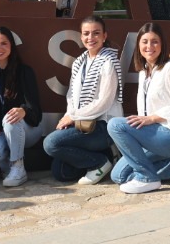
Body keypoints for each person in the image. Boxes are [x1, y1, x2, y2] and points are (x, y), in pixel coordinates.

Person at [108, 23, 170, 193]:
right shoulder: (144, 72)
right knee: (118, 176)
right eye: (145, 42)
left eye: (155, 42)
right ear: (138, 45)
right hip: (152, 136)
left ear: (162, 44)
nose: (149, 46)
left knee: (115, 125)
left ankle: (147, 177)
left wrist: (151, 118)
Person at [43, 16, 122, 184]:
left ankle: (99, 163)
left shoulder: (108, 61)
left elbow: (104, 102)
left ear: (104, 36)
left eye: (96, 33)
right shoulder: (80, 62)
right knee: (60, 172)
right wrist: (68, 118)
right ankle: (107, 156)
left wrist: (74, 116)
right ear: (81, 37)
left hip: (102, 126)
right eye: (86, 33)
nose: (90, 38)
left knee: (51, 143)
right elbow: (71, 95)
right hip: (81, 124)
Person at [0, 27, 43, 188]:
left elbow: (36, 111)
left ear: (11, 46)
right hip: (0, 130)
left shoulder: (24, 71)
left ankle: (18, 166)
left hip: (28, 129)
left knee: (11, 118)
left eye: (4, 43)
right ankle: (10, 168)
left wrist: (23, 110)